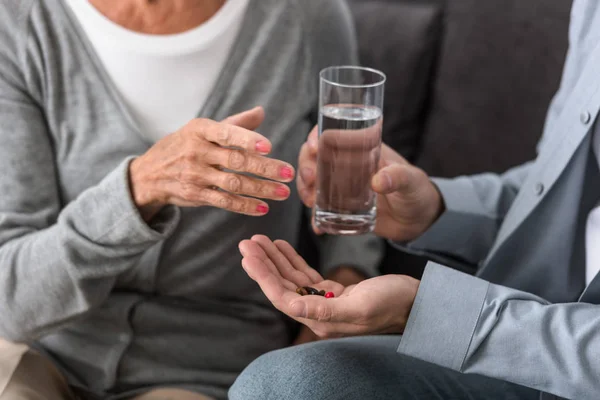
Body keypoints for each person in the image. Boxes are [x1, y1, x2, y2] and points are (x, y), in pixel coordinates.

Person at [0, 0, 383, 399]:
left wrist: (332, 314)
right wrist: (139, 188)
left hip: (208, 366)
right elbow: (11, 302)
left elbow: (351, 185)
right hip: (43, 349)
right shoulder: (21, 22)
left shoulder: (305, 17)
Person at [229, 1, 600, 399]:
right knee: (282, 385)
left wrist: (434, 315)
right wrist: (435, 211)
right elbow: (565, 189)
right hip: (521, 349)